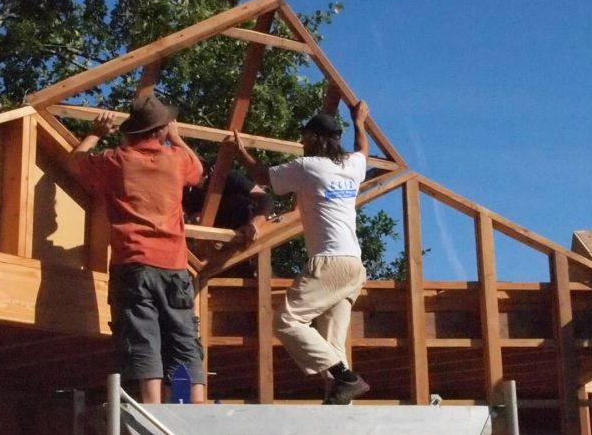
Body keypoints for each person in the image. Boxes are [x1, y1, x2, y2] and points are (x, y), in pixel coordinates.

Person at [230, 101, 371, 404]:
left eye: (305, 137)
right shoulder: (351, 165)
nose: (301, 143)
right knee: (332, 340)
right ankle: (339, 401)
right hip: (354, 265)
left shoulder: (309, 167)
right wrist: (359, 122)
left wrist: (239, 152)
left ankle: (346, 377)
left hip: (329, 261)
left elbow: (262, 175)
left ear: (316, 139)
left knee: (287, 322)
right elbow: (363, 149)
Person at [69, 95, 205, 404]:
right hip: (173, 264)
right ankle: (195, 404)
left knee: (143, 335)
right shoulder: (176, 159)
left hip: (133, 261)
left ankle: (153, 406)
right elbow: (198, 171)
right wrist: (177, 138)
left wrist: (95, 134)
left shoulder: (115, 160)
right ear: (160, 130)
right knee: (183, 334)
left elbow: (75, 162)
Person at [182, 158, 274, 247]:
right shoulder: (189, 195)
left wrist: (255, 224)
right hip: (222, 248)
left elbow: (266, 199)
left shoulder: (227, 178)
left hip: (248, 238)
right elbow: (197, 220)